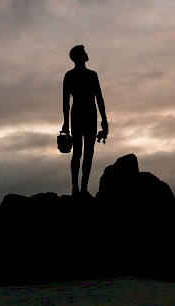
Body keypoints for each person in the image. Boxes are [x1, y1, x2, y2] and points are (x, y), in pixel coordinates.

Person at [62, 45, 108, 197]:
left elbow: (66, 104)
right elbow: (98, 99)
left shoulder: (72, 76)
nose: (86, 54)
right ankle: (79, 189)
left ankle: (79, 189)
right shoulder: (89, 75)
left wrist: (104, 120)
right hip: (86, 115)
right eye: (83, 53)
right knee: (84, 153)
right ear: (79, 57)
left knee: (82, 153)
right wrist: (104, 120)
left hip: (81, 115)